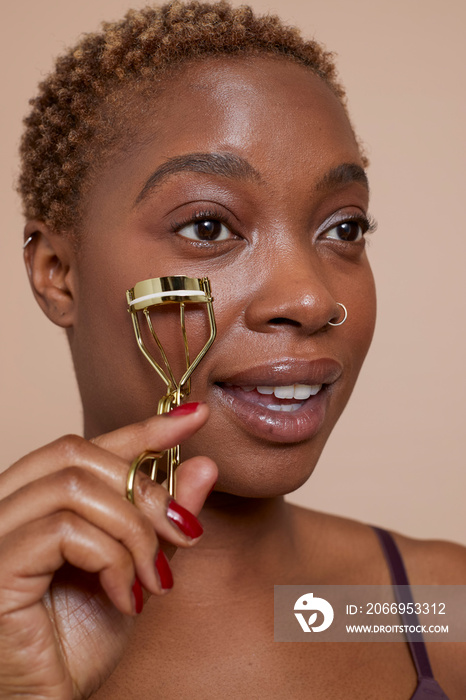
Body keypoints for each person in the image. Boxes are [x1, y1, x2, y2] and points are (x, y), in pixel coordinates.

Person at [2, 1, 465, 697]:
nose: (310, 299)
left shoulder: (426, 609)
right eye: (210, 225)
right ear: (57, 273)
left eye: (344, 228)